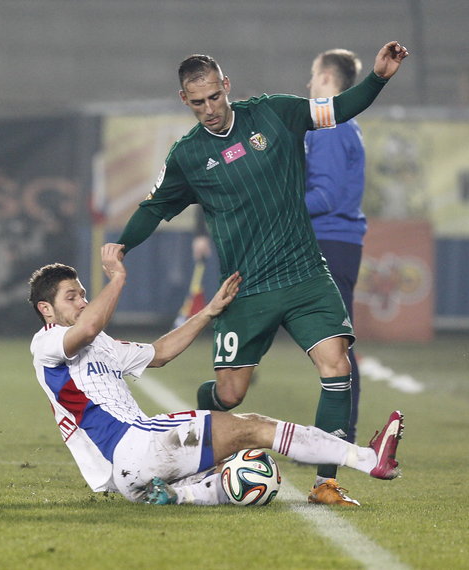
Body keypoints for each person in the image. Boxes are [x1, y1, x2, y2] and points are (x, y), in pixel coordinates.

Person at [111, 41, 409, 506]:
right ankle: (204, 432)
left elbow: (339, 108)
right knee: (229, 394)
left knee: (337, 368)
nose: (209, 109)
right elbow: (153, 208)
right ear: (183, 101)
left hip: (306, 273)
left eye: (214, 96)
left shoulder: (275, 114)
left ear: (226, 86)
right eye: (197, 103)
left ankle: (325, 483)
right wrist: (121, 245)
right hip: (244, 291)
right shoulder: (187, 156)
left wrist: (378, 78)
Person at [28, 244, 404, 505]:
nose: (83, 301)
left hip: (134, 470)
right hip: (132, 446)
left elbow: (158, 354)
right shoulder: (46, 343)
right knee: (251, 426)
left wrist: (207, 312)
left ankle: (180, 496)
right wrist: (119, 278)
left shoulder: (102, 345)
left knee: (254, 468)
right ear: (46, 309)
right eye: (71, 297)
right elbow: (88, 328)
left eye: (83, 294)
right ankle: (368, 460)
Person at [305, 48, 367, 443]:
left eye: (313, 75)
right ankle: (335, 432)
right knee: (331, 342)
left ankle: (339, 434)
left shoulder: (330, 127)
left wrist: (280, 208)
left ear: (327, 79)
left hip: (329, 242)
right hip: (336, 243)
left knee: (335, 346)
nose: (309, 84)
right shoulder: (346, 126)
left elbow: (324, 197)